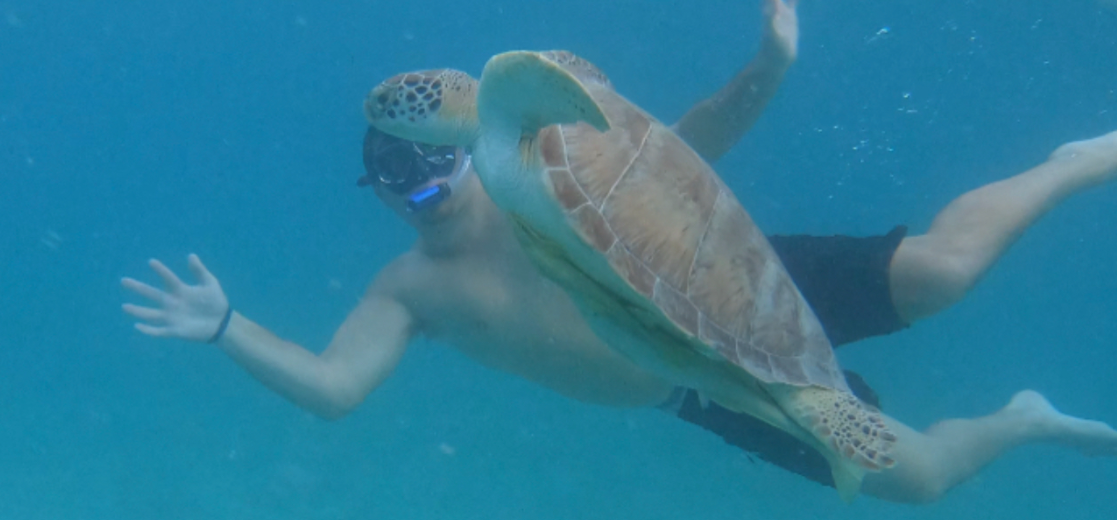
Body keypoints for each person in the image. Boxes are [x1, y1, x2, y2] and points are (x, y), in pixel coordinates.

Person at [121, 0, 1117, 504]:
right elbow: (336, 387)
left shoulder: (539, 159)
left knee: (946, 270)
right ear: (379, 196)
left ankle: (1072, 165)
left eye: (436, 169)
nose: (425, 197)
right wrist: (225, 325)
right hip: (694, 384)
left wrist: (768, 65)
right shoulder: (413, 287)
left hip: (724, 272)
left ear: (466, 148)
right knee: (922, 479)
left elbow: (693, 138)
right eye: (401, 185)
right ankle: (1026, 419)